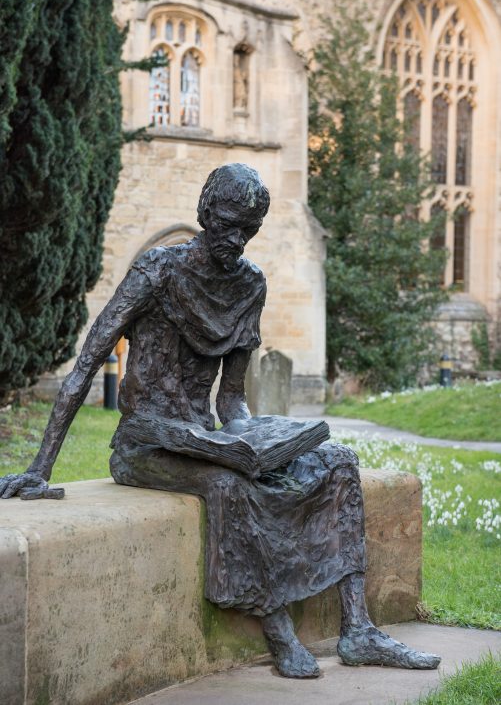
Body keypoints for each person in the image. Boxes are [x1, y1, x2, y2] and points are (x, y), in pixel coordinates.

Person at [0, 163, 440, 677]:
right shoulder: (157, 271)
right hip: (147, 445)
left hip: (205, 437)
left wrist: (257, 439)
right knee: (230, 486)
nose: (237, 239)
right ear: (206, 213)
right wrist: (40, 468)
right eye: (229, 224)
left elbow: (231, 400)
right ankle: (278, 630)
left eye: (248, 230)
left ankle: (359, 629)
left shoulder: (250, 285)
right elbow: (85, 365)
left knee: (338, 463)